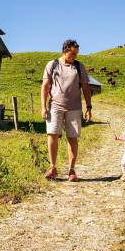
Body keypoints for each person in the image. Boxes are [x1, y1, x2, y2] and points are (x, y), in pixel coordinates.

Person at [41, 39, 92, 181]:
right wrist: (43, 106)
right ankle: (52, 167)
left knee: (72, 138)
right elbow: (45, 86)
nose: (74, 56)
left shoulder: (79, 66)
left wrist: (88, 107)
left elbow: (86, 88)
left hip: (74, 107)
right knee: (52, 134)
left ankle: (72, 170)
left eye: (76, 54)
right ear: (65, 50)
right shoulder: (52, 65)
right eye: (72, 53)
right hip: (55, 106)